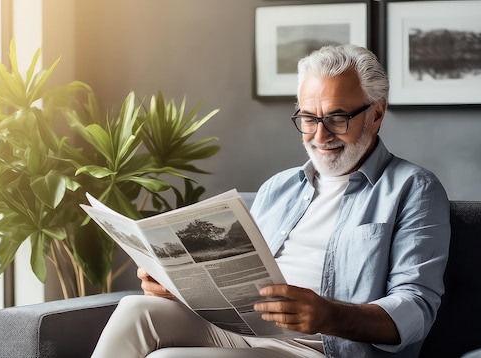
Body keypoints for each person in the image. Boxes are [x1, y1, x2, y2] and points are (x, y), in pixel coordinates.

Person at [91, 44, 450, 358]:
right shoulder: (279, 187)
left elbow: (416, 307)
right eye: (309, 118)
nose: (320, 135)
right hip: (244, 330)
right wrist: (177, 286)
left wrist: (331, 315)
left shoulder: (413, 188)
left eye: (337, 118)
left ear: (376, 114)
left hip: (322, 347)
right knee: (135, 310)